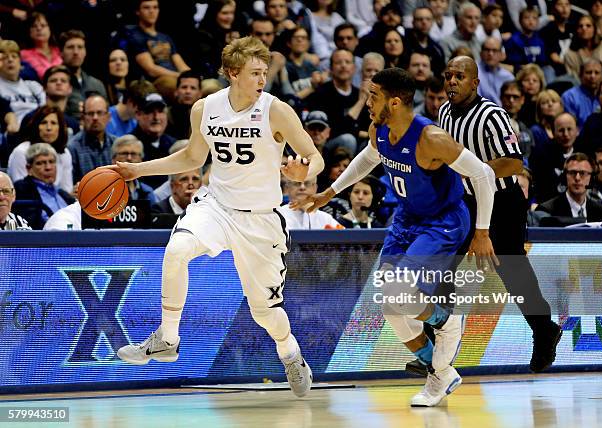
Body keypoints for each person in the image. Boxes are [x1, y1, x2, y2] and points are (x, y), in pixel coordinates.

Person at [111, 36, 324, 398]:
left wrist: (303, 171)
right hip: (217, 205)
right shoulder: (205, 108)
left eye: (265, 73)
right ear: (232, 73)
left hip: (260, 220)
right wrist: (139, 170)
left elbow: (314, 157)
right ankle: (168, 337)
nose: (262, 80)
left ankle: (290, 354)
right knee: (176, 249)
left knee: (265, 313)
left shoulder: (276, 110)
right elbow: (193, 157)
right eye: (255, 73)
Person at [293, 67, 498, 407]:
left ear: (397, 102)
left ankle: (446, 320)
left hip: (442, 221)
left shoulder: (431, 139)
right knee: (388, 304)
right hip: (406, 219)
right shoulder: (379, 129)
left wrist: (482, 231)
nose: (367, 102)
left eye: (374, 96)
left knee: (401, 293)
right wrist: (330, 191)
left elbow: (484, 174)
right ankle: (440, 374)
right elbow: (369, 158)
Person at [439, 56, 562, 372]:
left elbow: (513, 163)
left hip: (502, 199)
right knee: (442, 263)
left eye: (459, 76)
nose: (452, 81)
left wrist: (473, 173)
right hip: (463, 202)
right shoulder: (442, 113)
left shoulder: (492, 116)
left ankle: (544, 329)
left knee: (511, 268)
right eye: (448, 75)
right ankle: (435, 348)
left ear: (475, 82)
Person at [535, 153, 602, 222]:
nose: (577, 178)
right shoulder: (547, 210)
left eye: (582, 173)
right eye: (572, 173)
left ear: (591, 179)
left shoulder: (601, 211)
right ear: (564, 177)